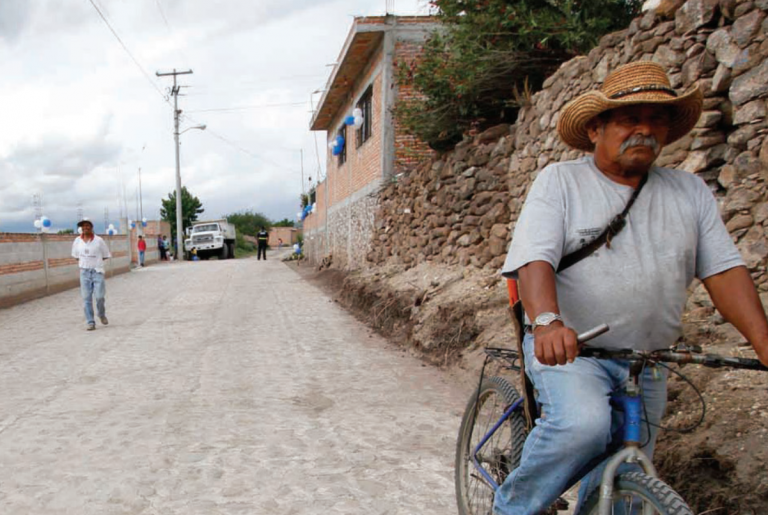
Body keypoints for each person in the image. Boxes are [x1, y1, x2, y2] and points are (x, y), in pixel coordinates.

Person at [496, 61, 768, 514]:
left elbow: (723, 272)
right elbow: (533, 259)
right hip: (574, 353)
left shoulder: (689, 191)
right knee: (583, 427)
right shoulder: (561, 181)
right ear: (596, 129)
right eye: (629, 119)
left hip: (649, 360)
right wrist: (546, 322)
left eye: (656, 119)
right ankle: (511, 507)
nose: (644, 129)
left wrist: (762, 340)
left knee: (626, 479)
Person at [71, 219, 112, 331]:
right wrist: (86, 263)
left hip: (97, 271)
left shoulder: (99, 240)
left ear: (91, 227)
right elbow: (76, 256)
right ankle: (90, 322)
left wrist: (95, 262)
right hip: (84, 272)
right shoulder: (77, 241)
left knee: (99, 297)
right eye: (83, 226)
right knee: (86, 298)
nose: (85, 228)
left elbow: (105, 255)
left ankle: (101, 314)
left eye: (87, 225)